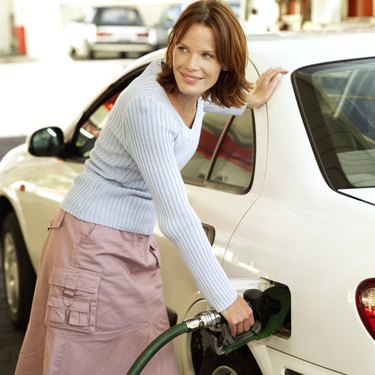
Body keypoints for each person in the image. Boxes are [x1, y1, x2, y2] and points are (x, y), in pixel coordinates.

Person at [15, 1, 287, 374]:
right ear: (172, 46)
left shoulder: (187, 90)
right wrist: (225, 298)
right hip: (92, 246)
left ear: (225, 61)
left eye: (208, 54)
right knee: (85, 362)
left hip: (129, 245)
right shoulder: (147, 106)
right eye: (184, 49)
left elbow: (202, 98)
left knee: (145, 359)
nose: (191, 64)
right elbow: (176, 218)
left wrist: (247, 100)